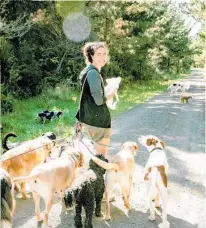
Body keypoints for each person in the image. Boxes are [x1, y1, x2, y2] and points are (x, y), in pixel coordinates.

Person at [76, 42, 116, 158]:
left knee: (99, 156)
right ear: (91, 56)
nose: (102, 57)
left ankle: (96, 174)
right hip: (98, 121)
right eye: (98, 54)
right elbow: (98, 101)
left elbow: (89, 95)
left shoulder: (88, 70)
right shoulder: (93, 73)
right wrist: (111, 93)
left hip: (92, 119)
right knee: (101, 157)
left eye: (104, 54)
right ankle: (95, 176)